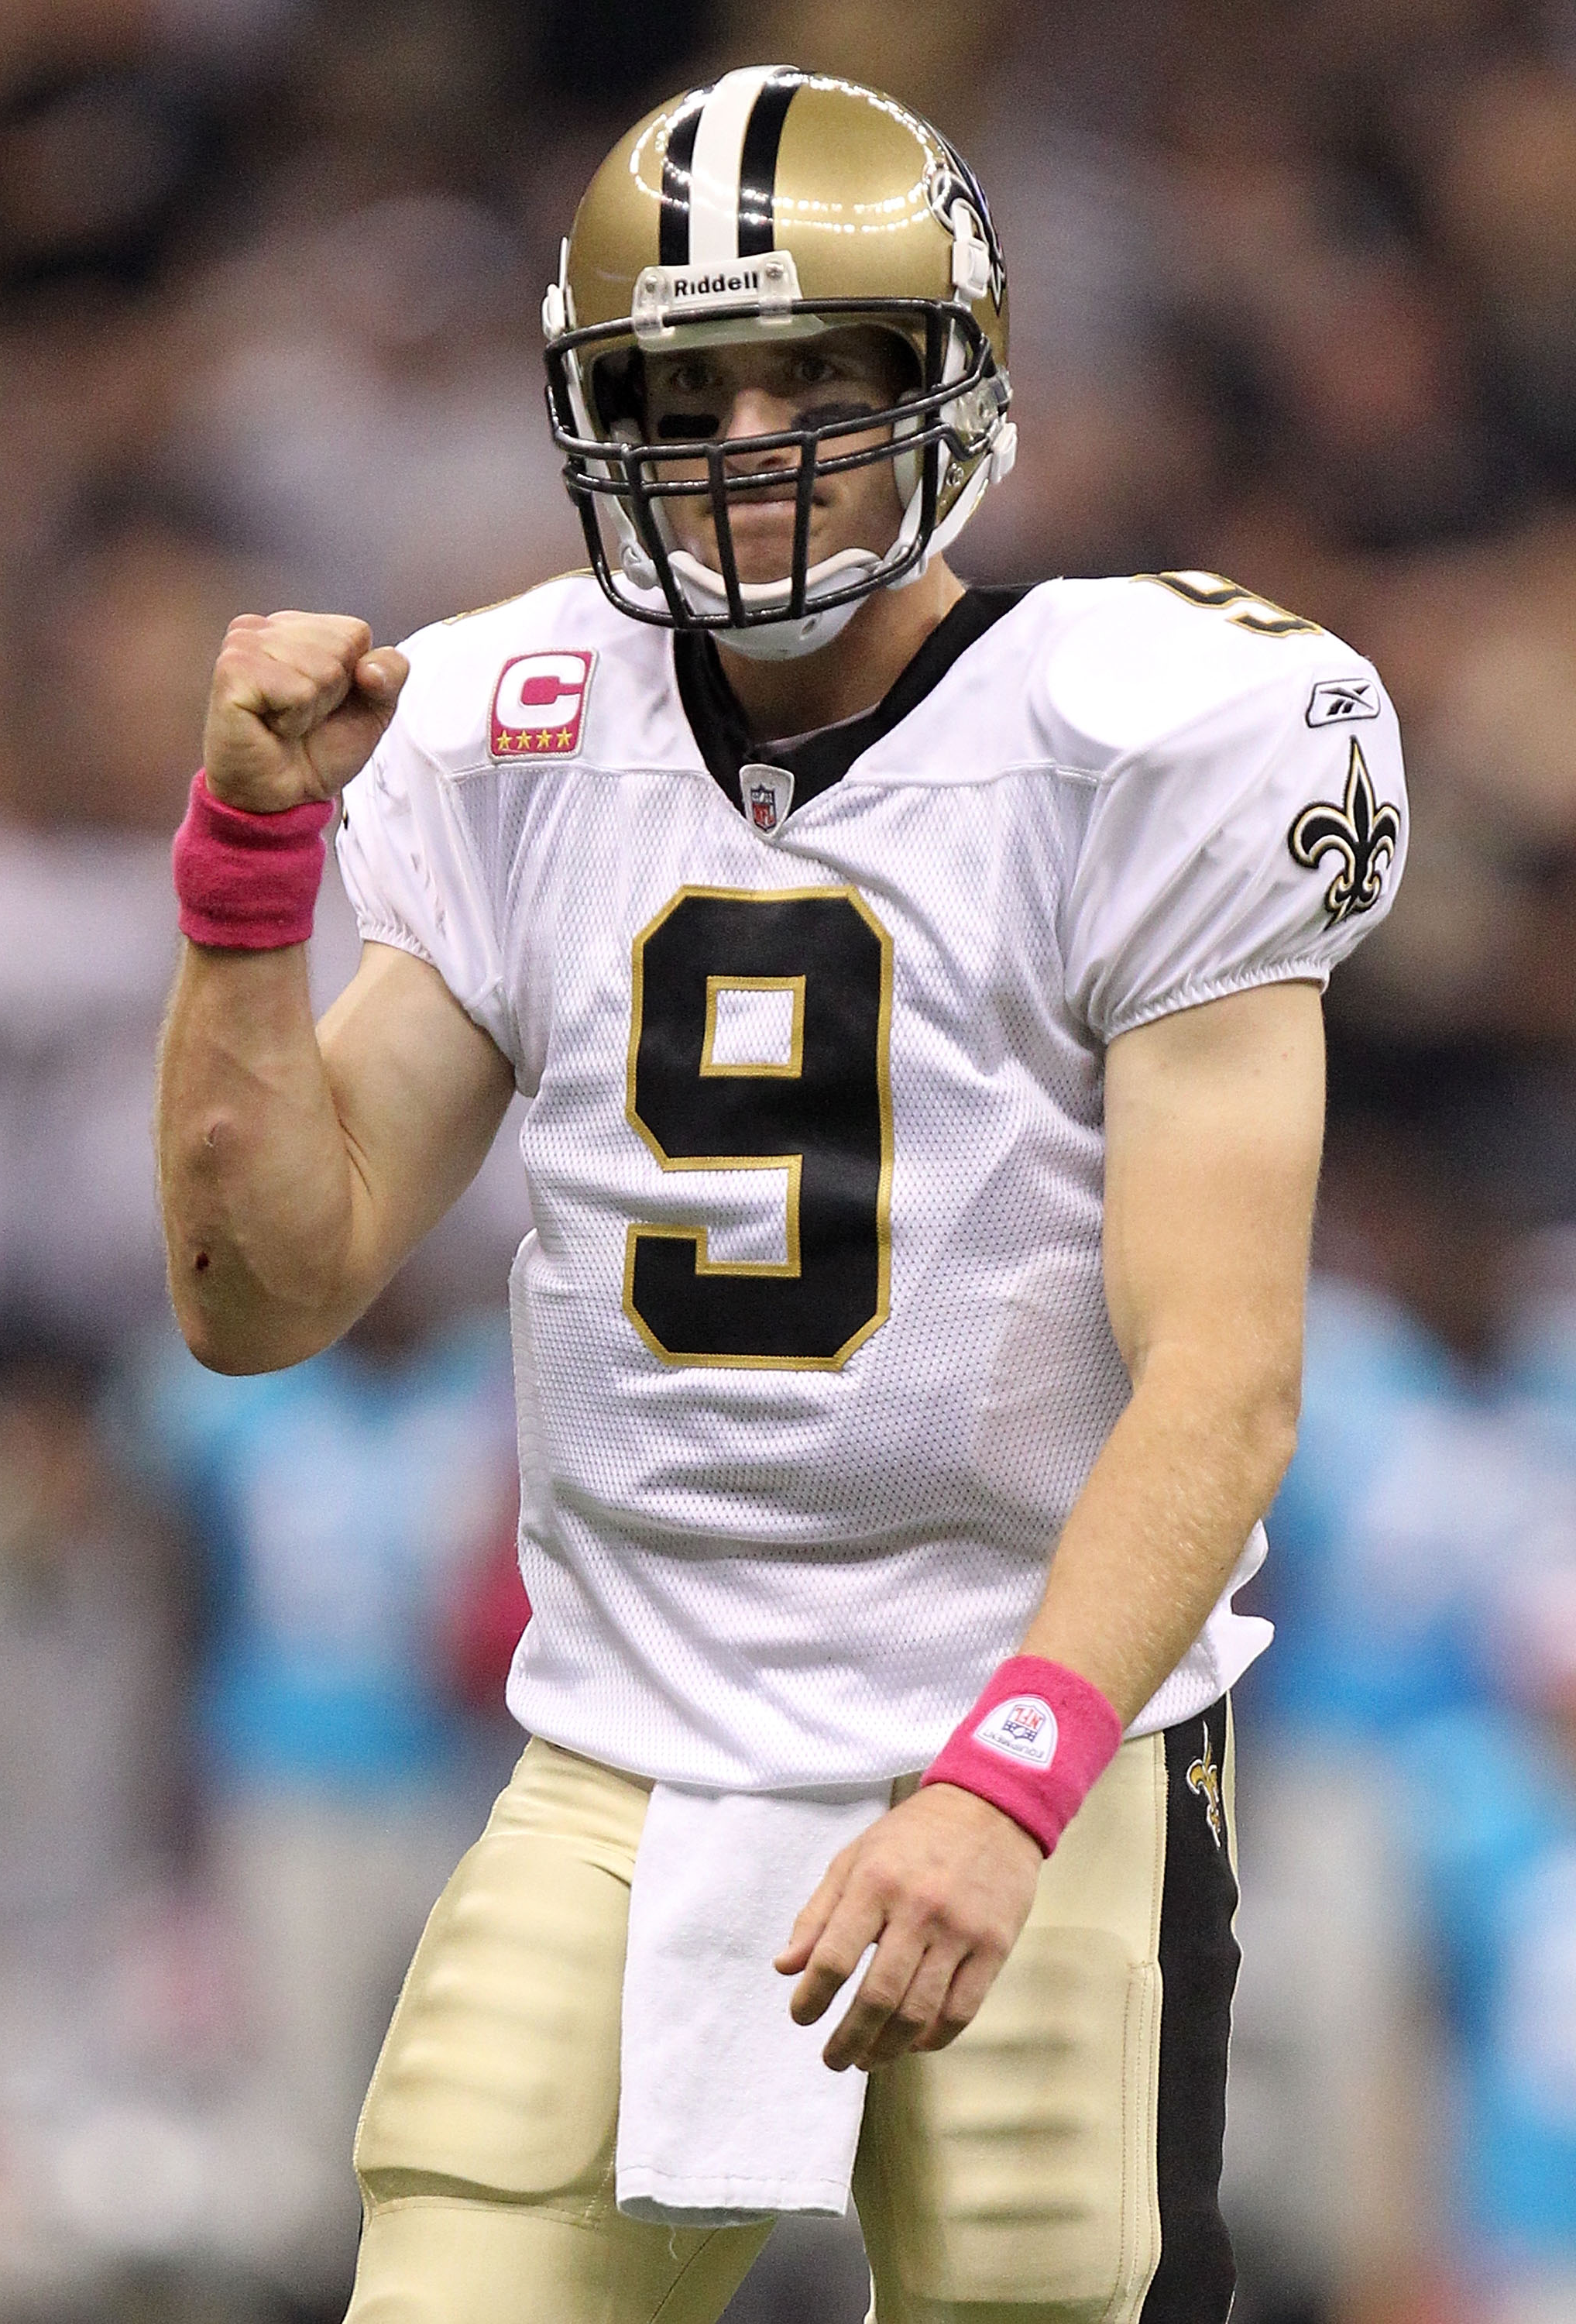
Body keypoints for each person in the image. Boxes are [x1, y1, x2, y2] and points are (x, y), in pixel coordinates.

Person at [156, 66, 1408, 2324]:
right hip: (631, 1754)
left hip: (1053, 1736)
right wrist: (249, 883)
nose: (748, 441)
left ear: (956, 381)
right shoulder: (512, 722)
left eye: (820, 376)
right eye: (686, 386)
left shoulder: (1145, 733)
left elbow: (1223, 1377)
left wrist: (1006, 1781)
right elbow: (266, 1292)